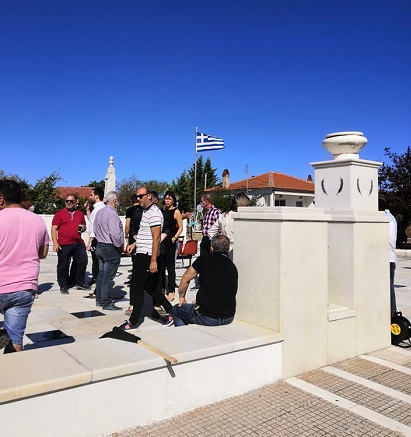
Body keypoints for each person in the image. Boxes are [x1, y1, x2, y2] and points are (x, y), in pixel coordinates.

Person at [0, 180, 50, 352]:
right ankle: (16, 376)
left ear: (1, 200)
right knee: (15, 339)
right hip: (24, 288)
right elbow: (43, 253)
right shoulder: (37, 221)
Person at [120, 187, 173, 330]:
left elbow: (156, 238)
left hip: (147, 255)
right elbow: (147, 235)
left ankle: (133, 321)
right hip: (141, 252)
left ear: (149, 196)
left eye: (141, 196)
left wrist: (153, 260)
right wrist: (135, 244)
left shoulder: (154, 213)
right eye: (137, 197)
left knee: (137, 287)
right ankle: (171, 311)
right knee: (149, 287)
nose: (138, 199)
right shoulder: (146, 212)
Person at [172, 235, 238, 327]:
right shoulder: (232, 266)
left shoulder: (204, 259)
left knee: (176, 310)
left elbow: (185, 278)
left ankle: (184, 336)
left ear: (211, 248)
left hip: (207, 316)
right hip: (228, 316)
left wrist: (182, 297)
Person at [93, 191, 125, 310]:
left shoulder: (100, 212)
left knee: (101, 275)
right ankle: (106, 302)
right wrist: (119, 245)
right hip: (109, 247)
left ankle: (99, 300)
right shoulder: (112, 214)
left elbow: (95, 229)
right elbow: (114, 233)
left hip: (100, 245)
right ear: (114, 201)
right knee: (108, 276)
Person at [51, 194, 89, 293]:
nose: (68, 203)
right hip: (64, 243)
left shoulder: (80, 214)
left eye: (71, 201)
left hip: (78, 243)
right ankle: (63, 285)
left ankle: (78, 282)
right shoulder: (59, 214)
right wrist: (55, 243)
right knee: (63, 264)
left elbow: (84, 226)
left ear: (76, 202)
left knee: (82, 260)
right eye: (67, 201)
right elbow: (54, 228)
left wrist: (83, 228)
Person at [208, 192, 250, 260]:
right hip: (244, 249)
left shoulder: (223, 216)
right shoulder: (246, 217)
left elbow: (210, 232)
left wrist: (219, 244)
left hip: (227, 250)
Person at [83, 187, 105, 300]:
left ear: (96, 196)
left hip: (97, 241)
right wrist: (87, 210)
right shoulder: (99, 209)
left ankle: (98, 292)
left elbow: (94, 228)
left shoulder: (99, 210)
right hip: (99, 240)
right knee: (98, 266)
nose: (89, 197)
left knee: (98, 266)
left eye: (91, 195)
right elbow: (92, 221)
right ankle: (98, 291)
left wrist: (90, 242)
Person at [161, 191, 183, 302]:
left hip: (171, 241)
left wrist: (174, 238)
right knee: (161, 266)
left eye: (169, 199)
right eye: (166, 198)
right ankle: (161, 288)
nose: (167, 200)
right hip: (162, 241)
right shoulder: (162, 210)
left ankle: (171, 290)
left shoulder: (176, 211)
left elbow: (180, 227)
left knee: (170, 267)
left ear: (173, 200)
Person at [379, 197, 398, 316]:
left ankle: (391, 317)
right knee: (389, 289)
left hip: (386, 260)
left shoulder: (384, 219)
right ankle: (392, 314)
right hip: (390, 259)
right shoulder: (391, 218)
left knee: (388, 290)